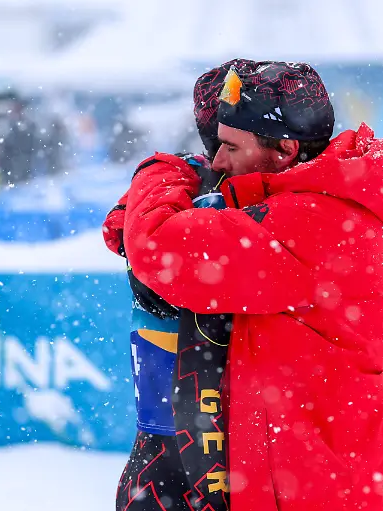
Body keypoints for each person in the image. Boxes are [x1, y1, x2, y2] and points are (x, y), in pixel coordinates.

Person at [121, 61, 383, 510]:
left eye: (229, 147)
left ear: (285, 151)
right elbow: (122, 229)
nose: (216, 162)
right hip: (310, 478)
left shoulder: (310, 223)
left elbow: (153, 247)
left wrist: (161, 173)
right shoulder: (305, 201)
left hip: (310, 489)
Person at [104, 59, 257, 511]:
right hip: (179, 437)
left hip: (199, 437)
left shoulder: (190, 184)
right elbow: (139, 257)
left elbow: (124, 238)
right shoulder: (184, 183)